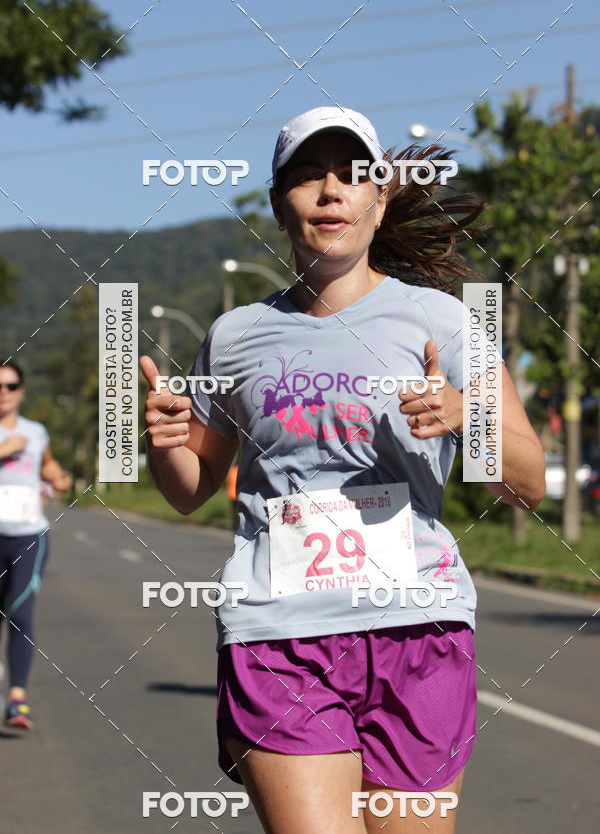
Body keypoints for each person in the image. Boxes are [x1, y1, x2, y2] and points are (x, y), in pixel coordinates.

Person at [140, 106, 546, 833]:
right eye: (307, 176)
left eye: (353, 174)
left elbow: (525, 484)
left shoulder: (444, 323)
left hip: (419, 629)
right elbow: (189, 489)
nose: (331, 191)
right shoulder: (235, 335)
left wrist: (466, 414)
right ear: (278, 202)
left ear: (379, 197)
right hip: (279, 633)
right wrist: (165, 442)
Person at [0, 360, 72, 729]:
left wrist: (58, 477)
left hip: (29, 536)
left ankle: (17, 700)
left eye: (10, 386)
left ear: (21, 392)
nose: (4, 392)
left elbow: (44, 465)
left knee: (21, 613)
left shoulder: (36, 432)